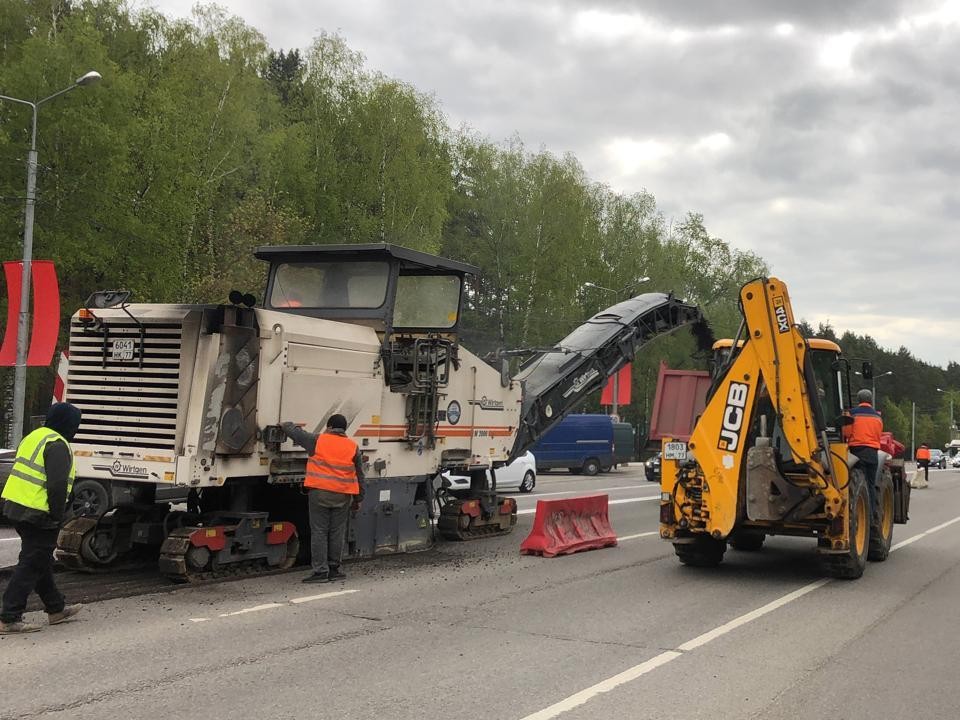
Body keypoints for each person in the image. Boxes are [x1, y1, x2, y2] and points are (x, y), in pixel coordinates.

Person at [1, 403, 84, 634]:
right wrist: (57, 516)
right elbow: (57, 485)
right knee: (31, 563)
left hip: (17, 506)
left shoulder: (35, 436)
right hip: (39, 512)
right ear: (69, 424)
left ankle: (55, 608)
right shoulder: (58, 444)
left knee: (40, 560)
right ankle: (9, 616)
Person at [280, 414, 364, 583]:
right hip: (343, 495)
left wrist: (283, 423)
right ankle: (334, 569)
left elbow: (295, 432)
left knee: (319, 532)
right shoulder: (352, 447)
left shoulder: (318, 440)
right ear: (344, 429)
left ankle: (320, 571)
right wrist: (358, 499)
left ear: (329, 426)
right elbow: (360, 475)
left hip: (320, 494)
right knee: (336, 532)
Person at [844, 388, 884, 515]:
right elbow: (879, 434)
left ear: (858, 400)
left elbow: (846, 433)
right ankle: (871, 515)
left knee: (858, 484)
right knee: (871, 485)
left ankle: (858, 514)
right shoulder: (878, 417)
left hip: (857, 452)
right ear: (870, 400)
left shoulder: (852, 414)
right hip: (873, 453)